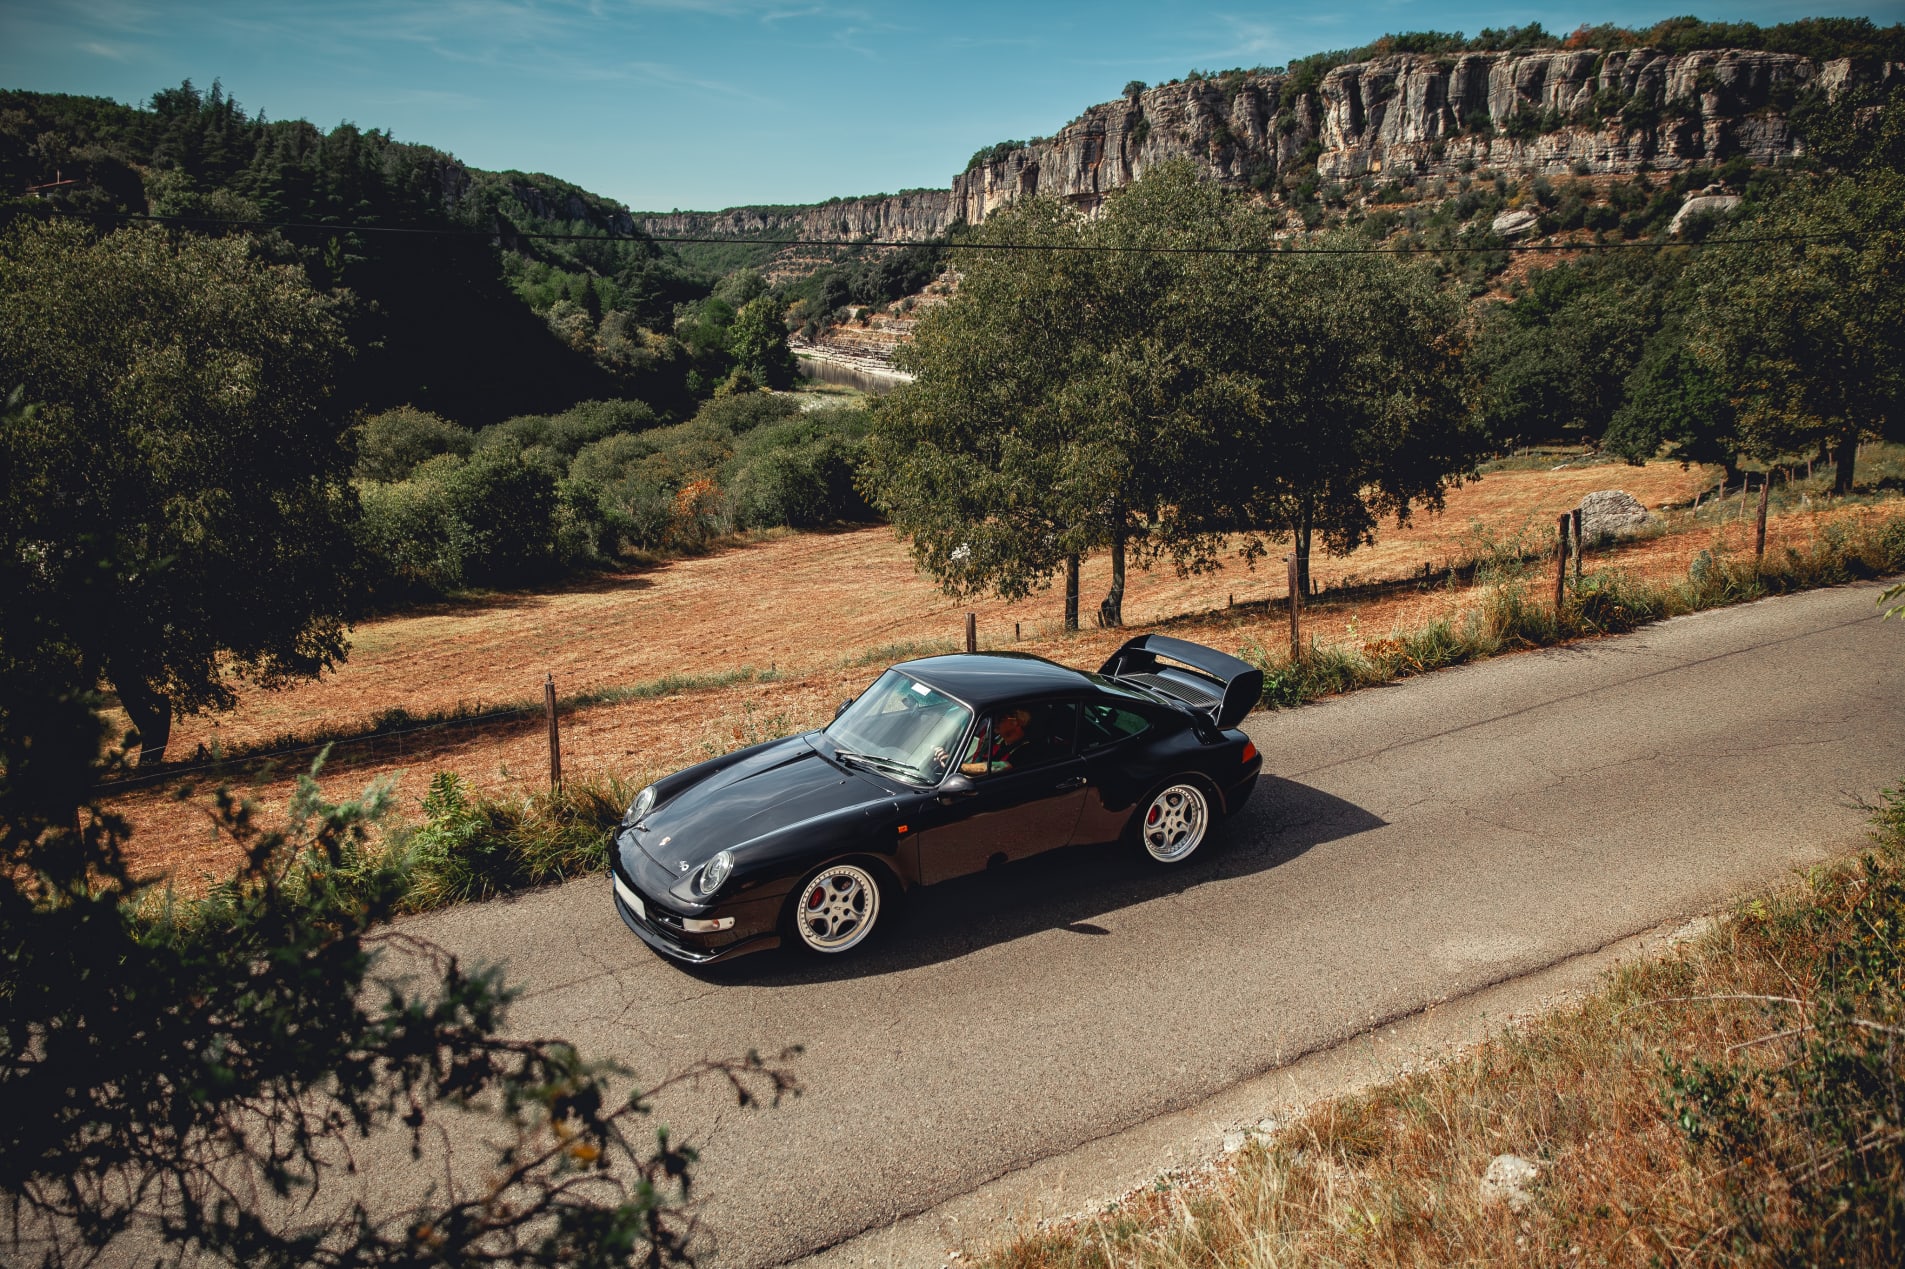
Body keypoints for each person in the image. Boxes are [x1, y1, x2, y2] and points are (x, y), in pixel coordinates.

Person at [937, 708, 1032, 777]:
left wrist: (958, 766)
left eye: (1001, 719)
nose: (995, 722)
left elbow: (998, 767)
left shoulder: (1026, 750)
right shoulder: (996, 740)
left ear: (1016, 723)